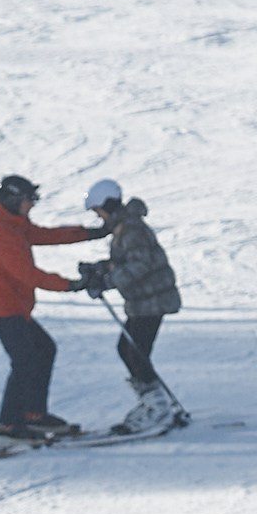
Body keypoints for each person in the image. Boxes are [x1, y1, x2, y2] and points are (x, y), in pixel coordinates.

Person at [0, 173, 102, 447]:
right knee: (24, 361)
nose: (31, 205)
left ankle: (33, 414)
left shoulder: (13, 224)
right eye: (28, 200)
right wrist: (69, 285)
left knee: (43, 349)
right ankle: (10, 425)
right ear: (12, 200)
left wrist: (89, 233)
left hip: (14, 307)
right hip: (3, 308)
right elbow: (28, 274)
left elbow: (45, 235)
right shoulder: (2, 232)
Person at [77, 178, 182, 433]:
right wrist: (100, 269)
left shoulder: (131, 229)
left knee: (135, 352)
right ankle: (154, 403)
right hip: (143, 301)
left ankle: (157, 409)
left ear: (109, 205)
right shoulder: (124, 227)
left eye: (98, 210)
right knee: (128, 349)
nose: (98, 216)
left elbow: (139, 265)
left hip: (152, 300)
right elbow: (126, 261)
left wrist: (108, 281)